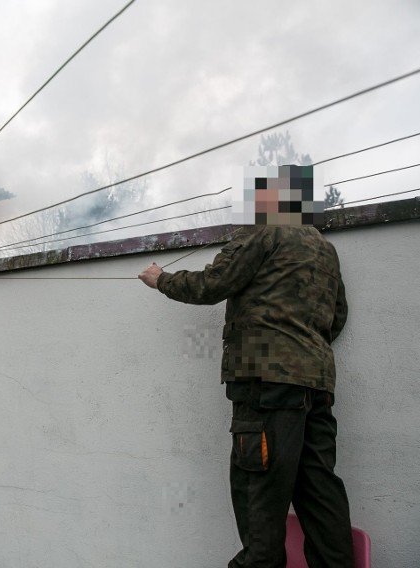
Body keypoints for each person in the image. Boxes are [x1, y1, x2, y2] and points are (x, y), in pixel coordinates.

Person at [138, 165, 354, 568]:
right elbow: (336, 317)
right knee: (319, 490)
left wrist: (161, 279)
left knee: (259, 493)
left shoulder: (263, 231)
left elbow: (213, 284)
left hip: (265, 385)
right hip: (317, 385)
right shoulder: (325, 249)